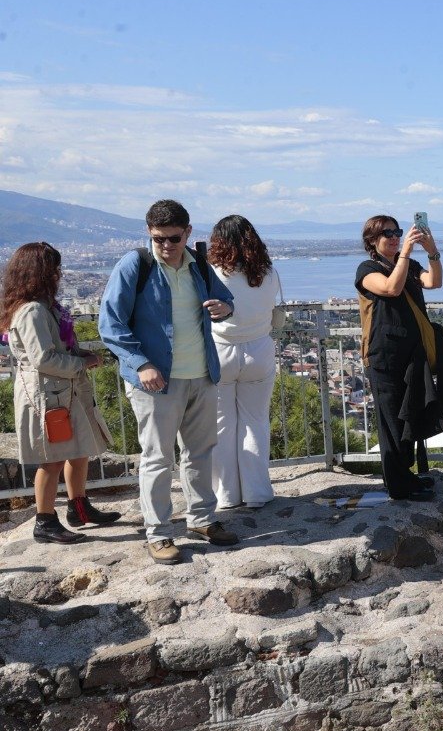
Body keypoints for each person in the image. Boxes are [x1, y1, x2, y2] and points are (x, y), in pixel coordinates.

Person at [99, 200, 239, 563]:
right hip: (156, 381)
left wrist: (226, 309)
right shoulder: (136, 265)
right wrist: (140, 363)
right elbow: (110, 325)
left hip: (202, 374)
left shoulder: (198, 264)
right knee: (158, 458)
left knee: (200, 453)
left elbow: (224, 300)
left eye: (173, 238)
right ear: (149, 233)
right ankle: (159, 533)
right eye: (158, 238)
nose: (165, 246)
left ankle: (202, 519)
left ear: (188, 232)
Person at [2, 243, 119, 544]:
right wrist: (81, 362)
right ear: (40, 272)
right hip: (45, 395)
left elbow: (59, 347)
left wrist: (80, 354)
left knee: (79, 451)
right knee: (51, 459)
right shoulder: (32, 311)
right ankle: (44, 520)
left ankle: (79, 507)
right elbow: (43, 359)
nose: (59, 274)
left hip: (63, 391)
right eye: (54, 268)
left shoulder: (47, 307)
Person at [355, 214, 442, 502]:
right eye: (387, 234)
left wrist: (432, 252)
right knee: (391, 420)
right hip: (384, 356)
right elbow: (391, 288)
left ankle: (408, 476)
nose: (394, 237)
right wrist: (405, 252)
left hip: (411, 354)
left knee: (409, 415)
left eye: (397, 232)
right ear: (372, 240)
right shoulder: (367, 269)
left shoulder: (410, 265)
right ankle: (398, 486)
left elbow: (435, 282)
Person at [208, 215, 285, 511]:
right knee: (255, 421)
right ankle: (257, 493)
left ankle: (225, 495)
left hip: (221, 350)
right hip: (259, 349)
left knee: (221, 425)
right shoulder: (269, 272)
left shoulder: (212, 273)